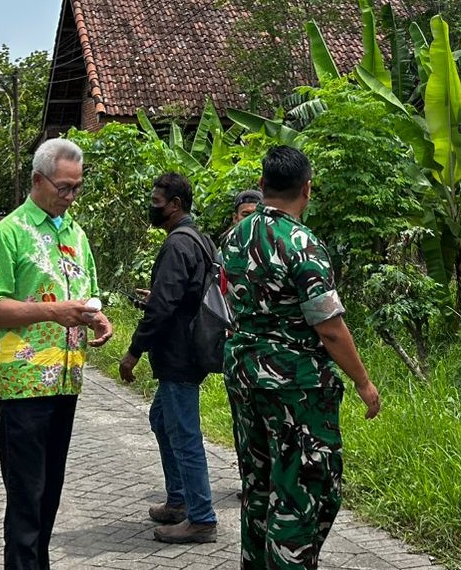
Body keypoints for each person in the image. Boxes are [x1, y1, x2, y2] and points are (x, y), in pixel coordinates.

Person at [220, 146, 382, 569]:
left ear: (261, 185)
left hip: (243, 374)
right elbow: (328, 325)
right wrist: (364, 383)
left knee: (258, 484)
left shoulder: (234, 236)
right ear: (307, 189)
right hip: (296, 385)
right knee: (304, 491)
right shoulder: (302, 243)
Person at [0, 137, 114, 570]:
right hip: (24, 385)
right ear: (38, 180)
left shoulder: (75, 232)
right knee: (26, 496)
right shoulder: (8, 234)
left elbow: (86, 295)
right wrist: (55, 311)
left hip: (67, 381)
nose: (70, 196)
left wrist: (97, 317)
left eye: (76, 188)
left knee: (50, 491)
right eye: (63, 187)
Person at [118, 172, 219, 544]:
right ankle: (179, 500)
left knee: (184, 433)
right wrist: (157, 295)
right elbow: (183, 294)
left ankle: (202, 517)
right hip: (190, 349)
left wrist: (133, 352)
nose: (152, 206)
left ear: (175, 205)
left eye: (157, 202)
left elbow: (163, 307)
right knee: (161, 419)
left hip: (179, 354)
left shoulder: (179, 244)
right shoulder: (199, 239)